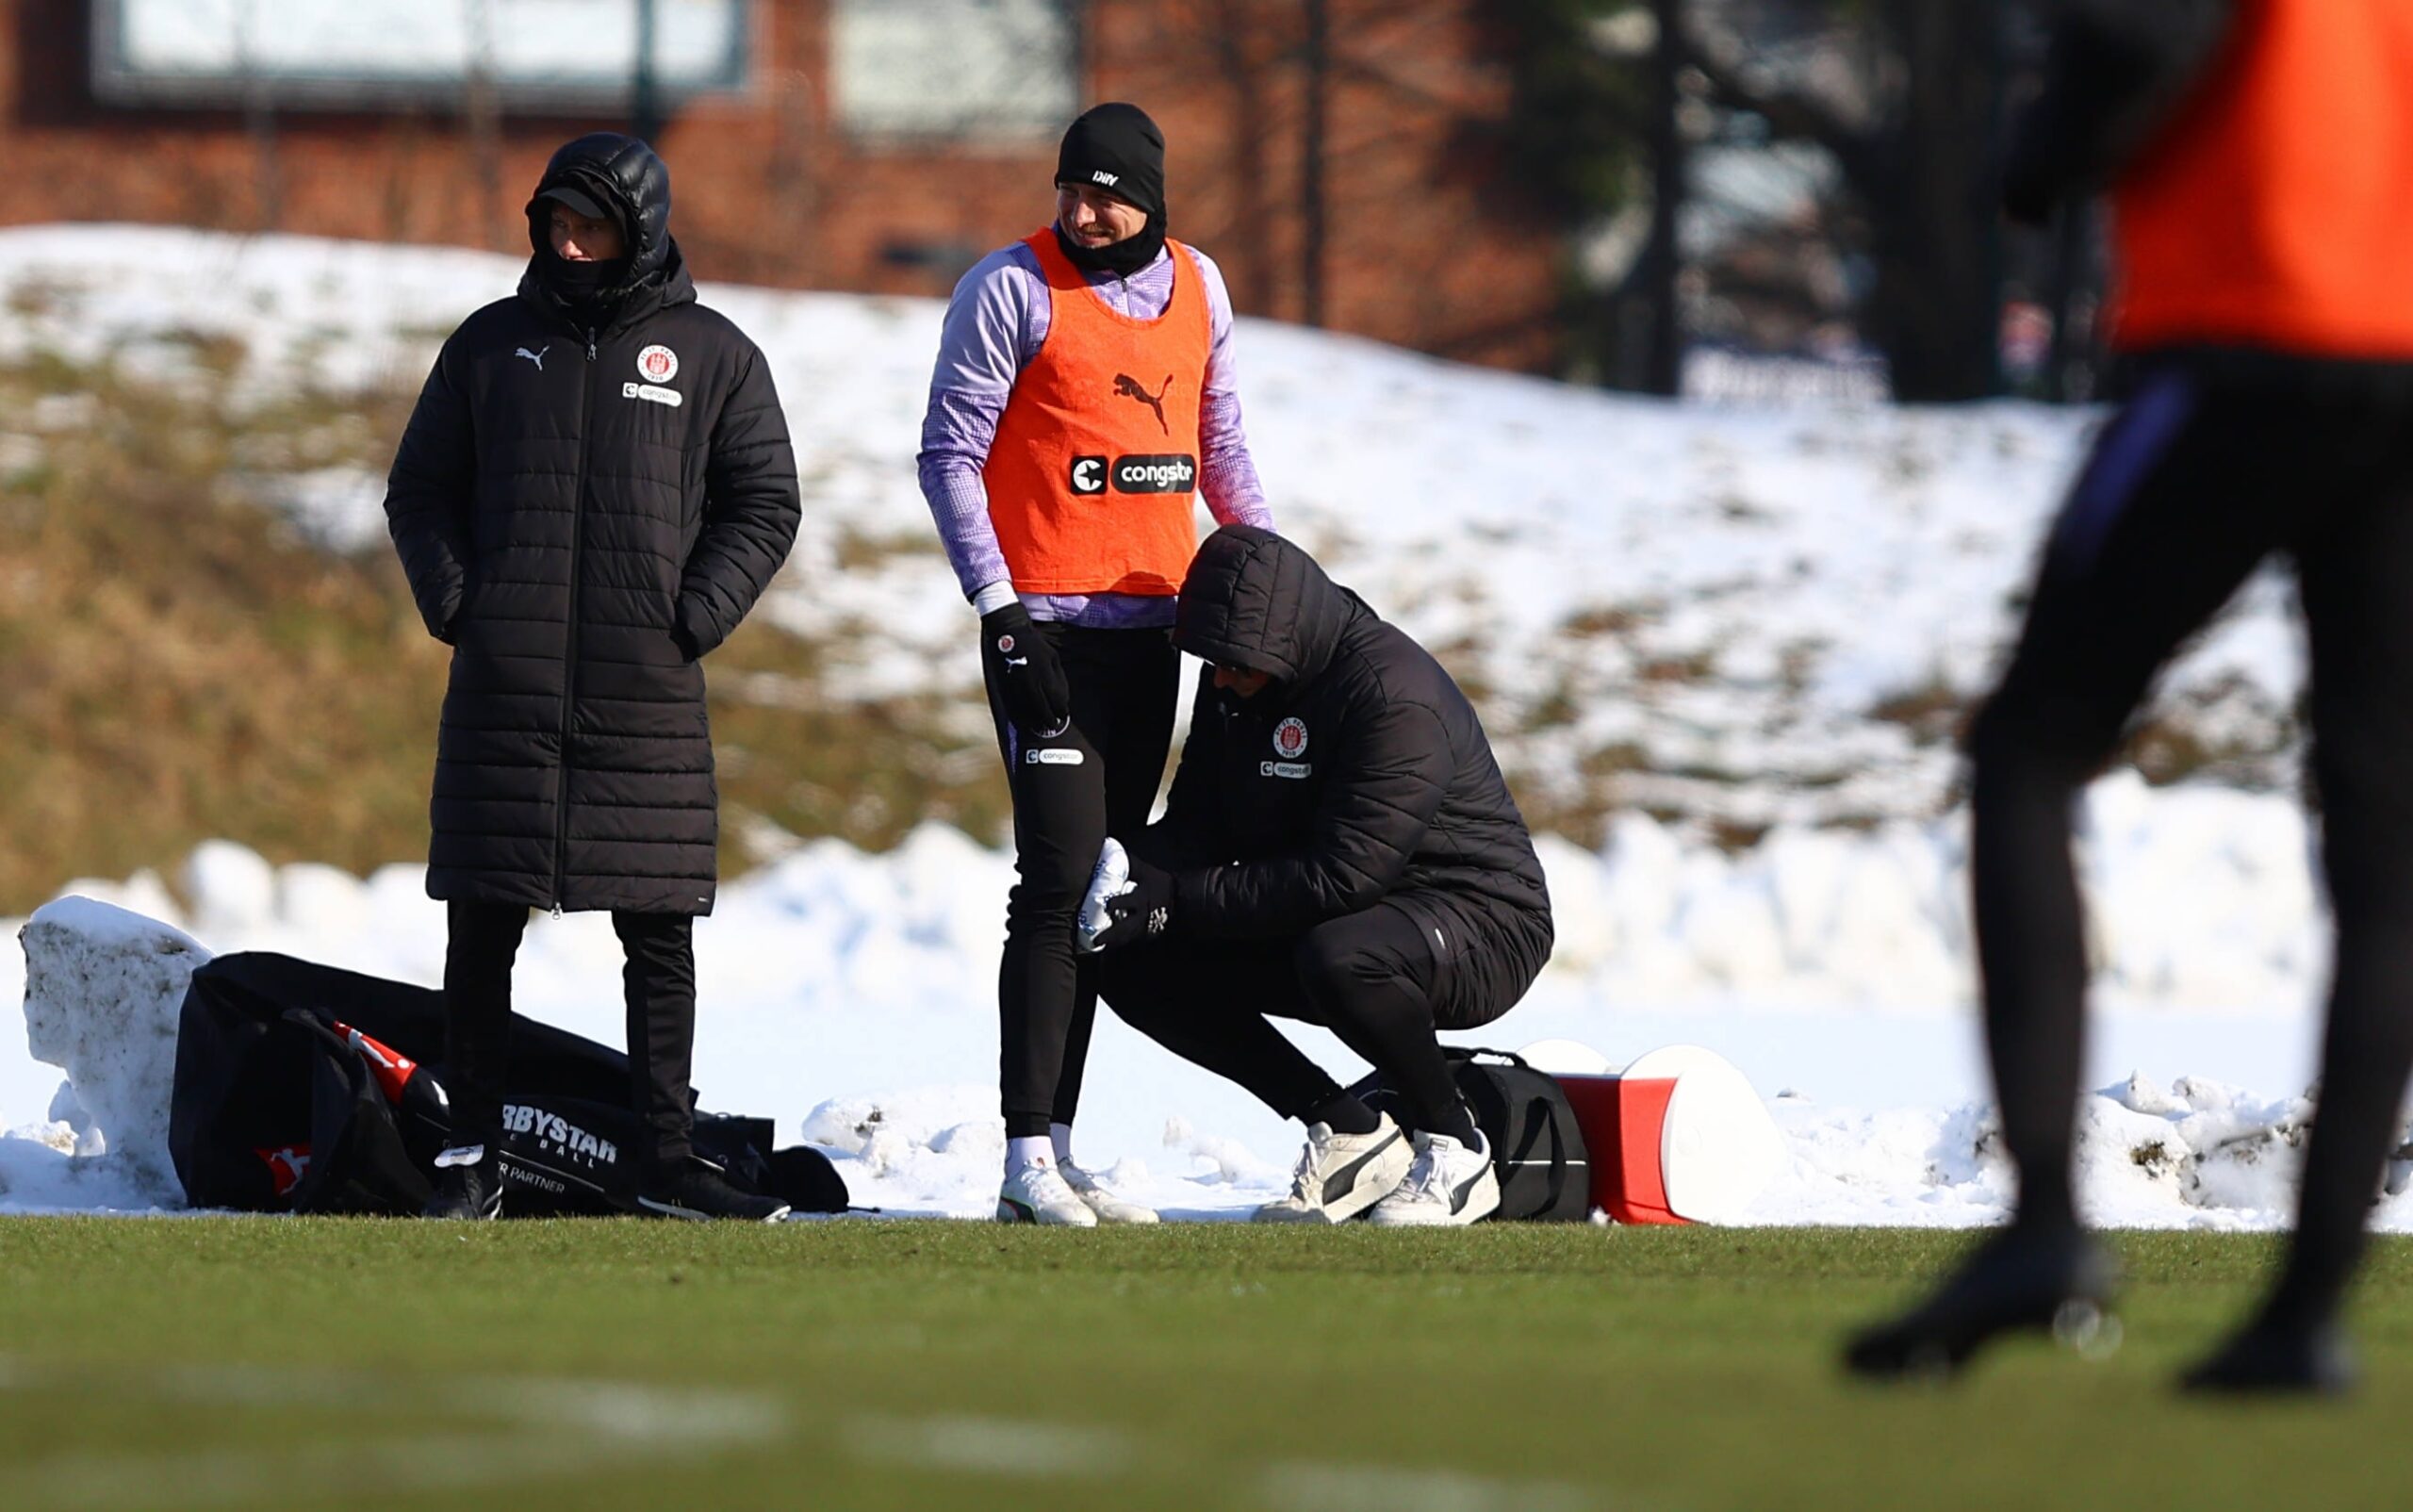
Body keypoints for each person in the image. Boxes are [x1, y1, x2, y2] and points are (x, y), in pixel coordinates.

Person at [1847, 0, 2413, 1391]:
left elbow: (2146, 36)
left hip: (2252, 334)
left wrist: (2046, 152)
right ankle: (2303, 1317)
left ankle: (2043, 1223)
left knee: (2032, 749)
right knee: (2385, 860)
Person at [384, 133, 802, 1222]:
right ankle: (469, 1150)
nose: (569, 245)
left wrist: (694, 614)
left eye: (593, 227)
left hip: (643, 686)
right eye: (554, 224)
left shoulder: (714, 355)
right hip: (505, 685)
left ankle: (666, 1159)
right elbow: (418, 488)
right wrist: (463, 606)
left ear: (643, 232)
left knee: (658, 928)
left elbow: (766, 499)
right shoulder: (489, 345)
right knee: (482, 920)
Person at [915, 103, 1275, 1225]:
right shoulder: (1008, 289)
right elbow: (948, 454)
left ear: (1151, 202)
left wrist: (1272, 583)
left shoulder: (1201, 289)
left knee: (1103, 890)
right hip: (1044, 639)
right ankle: (1023, 1154)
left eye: (1105, 195)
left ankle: (1060, 1149)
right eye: (1069, 190)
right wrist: (1000, 610)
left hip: (1153, 633)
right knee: (1059, 872)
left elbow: (1219, 445)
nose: (1082, 212)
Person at [1081, 526, 1553, 1225]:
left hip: (1482, 921)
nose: (1218, 680)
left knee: (1342, 956)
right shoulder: (1240, 678)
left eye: (1233, 666)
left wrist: (1176, 898)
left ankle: (1456, 1148)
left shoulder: (1394, 697)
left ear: (1283, 645)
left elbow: (1344, 876)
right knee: (1131, 960)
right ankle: (1349, 1130)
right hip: (1345, 915)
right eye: (1211, 663)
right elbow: (1199, 827)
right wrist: (1133, 875)